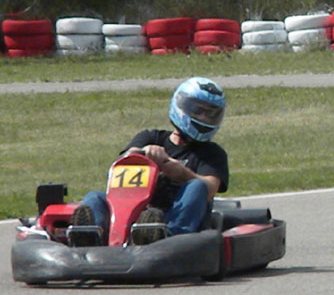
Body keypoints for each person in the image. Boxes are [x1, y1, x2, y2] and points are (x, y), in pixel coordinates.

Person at [71, 76, 230, 245]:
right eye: (198, 111)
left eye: (210, 114)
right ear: (182, 107)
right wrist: (145, 153)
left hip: (176, 216)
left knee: (198, 186)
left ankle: (166, 236)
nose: (204, 118)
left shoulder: (212, 153)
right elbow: (123, 162)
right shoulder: (150, 137)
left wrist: (181, 173)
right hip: (138, 210)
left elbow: (211, 188)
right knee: (94, 197)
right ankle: (91, 236)